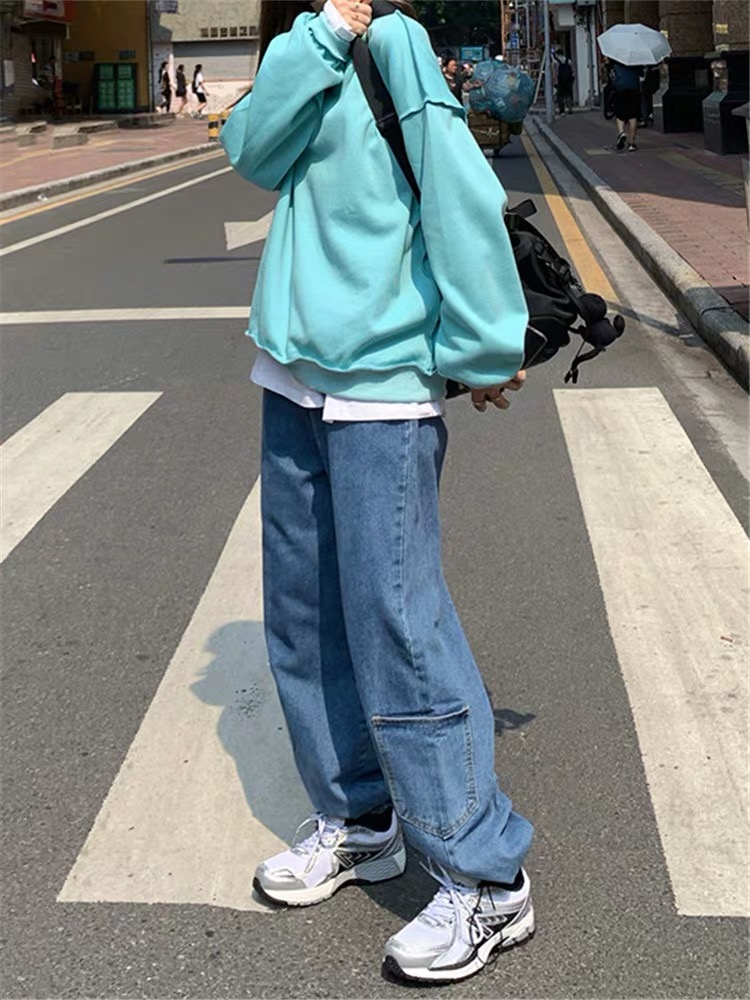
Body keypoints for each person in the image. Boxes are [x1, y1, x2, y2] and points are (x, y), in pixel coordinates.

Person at [220, 0, 534, 985]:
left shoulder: (397, 46)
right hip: (292, 374)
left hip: (382, 388)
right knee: (305, 613)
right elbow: (252, 153)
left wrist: (482, 346)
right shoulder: (307, 46)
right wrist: (317, 36)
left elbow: (459, 193)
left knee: (397, 620)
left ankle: (485, 874)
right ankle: (361, 818)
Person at [609, 58, 642, 151]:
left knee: (620, 115)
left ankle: (621, 133)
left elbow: (612, 77)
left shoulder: (616, 63)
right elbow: (641, 74)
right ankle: (631, 143)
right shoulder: (635, 61)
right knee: (633, 116)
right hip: (634, 89)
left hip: (621, 89)